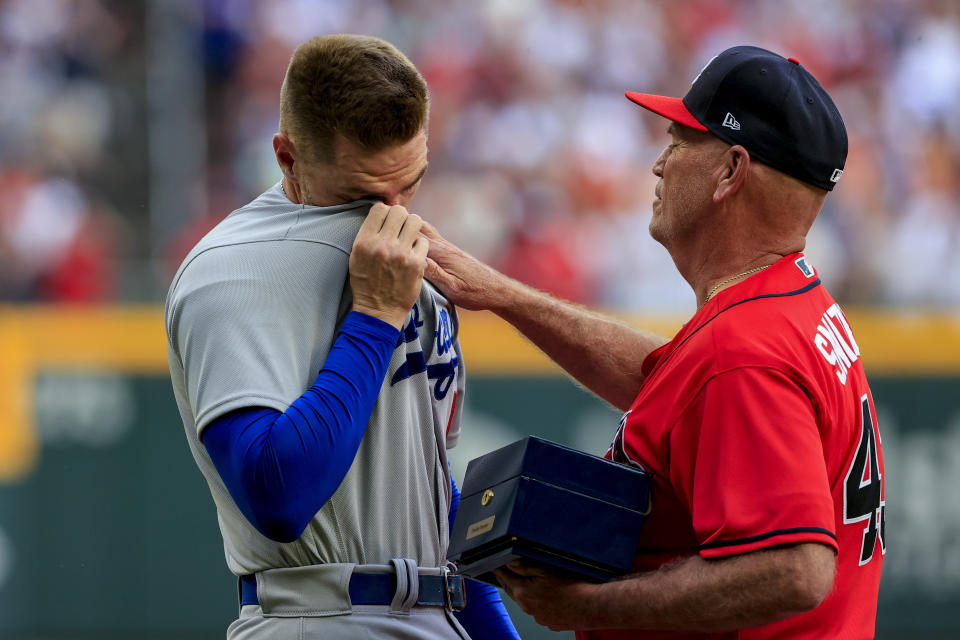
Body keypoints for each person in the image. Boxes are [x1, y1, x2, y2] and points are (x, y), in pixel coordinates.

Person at [423, 45, 885, 638]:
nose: (659, 163)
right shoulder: (789, 301)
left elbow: (795, 572)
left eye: (681, 141)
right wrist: (506, 297)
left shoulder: (743, 351)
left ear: (731, 172)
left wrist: (588, 608)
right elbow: (674, 382)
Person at [165, 34, 518, 639]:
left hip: (439, 614)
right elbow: (278, 494)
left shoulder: (417, 269)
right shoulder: (233, 268)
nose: (393, 215)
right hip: (321, 614)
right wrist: (376, 318)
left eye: (410, 184)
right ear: (288, 159)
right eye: (363, 194)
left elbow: (428, 497)